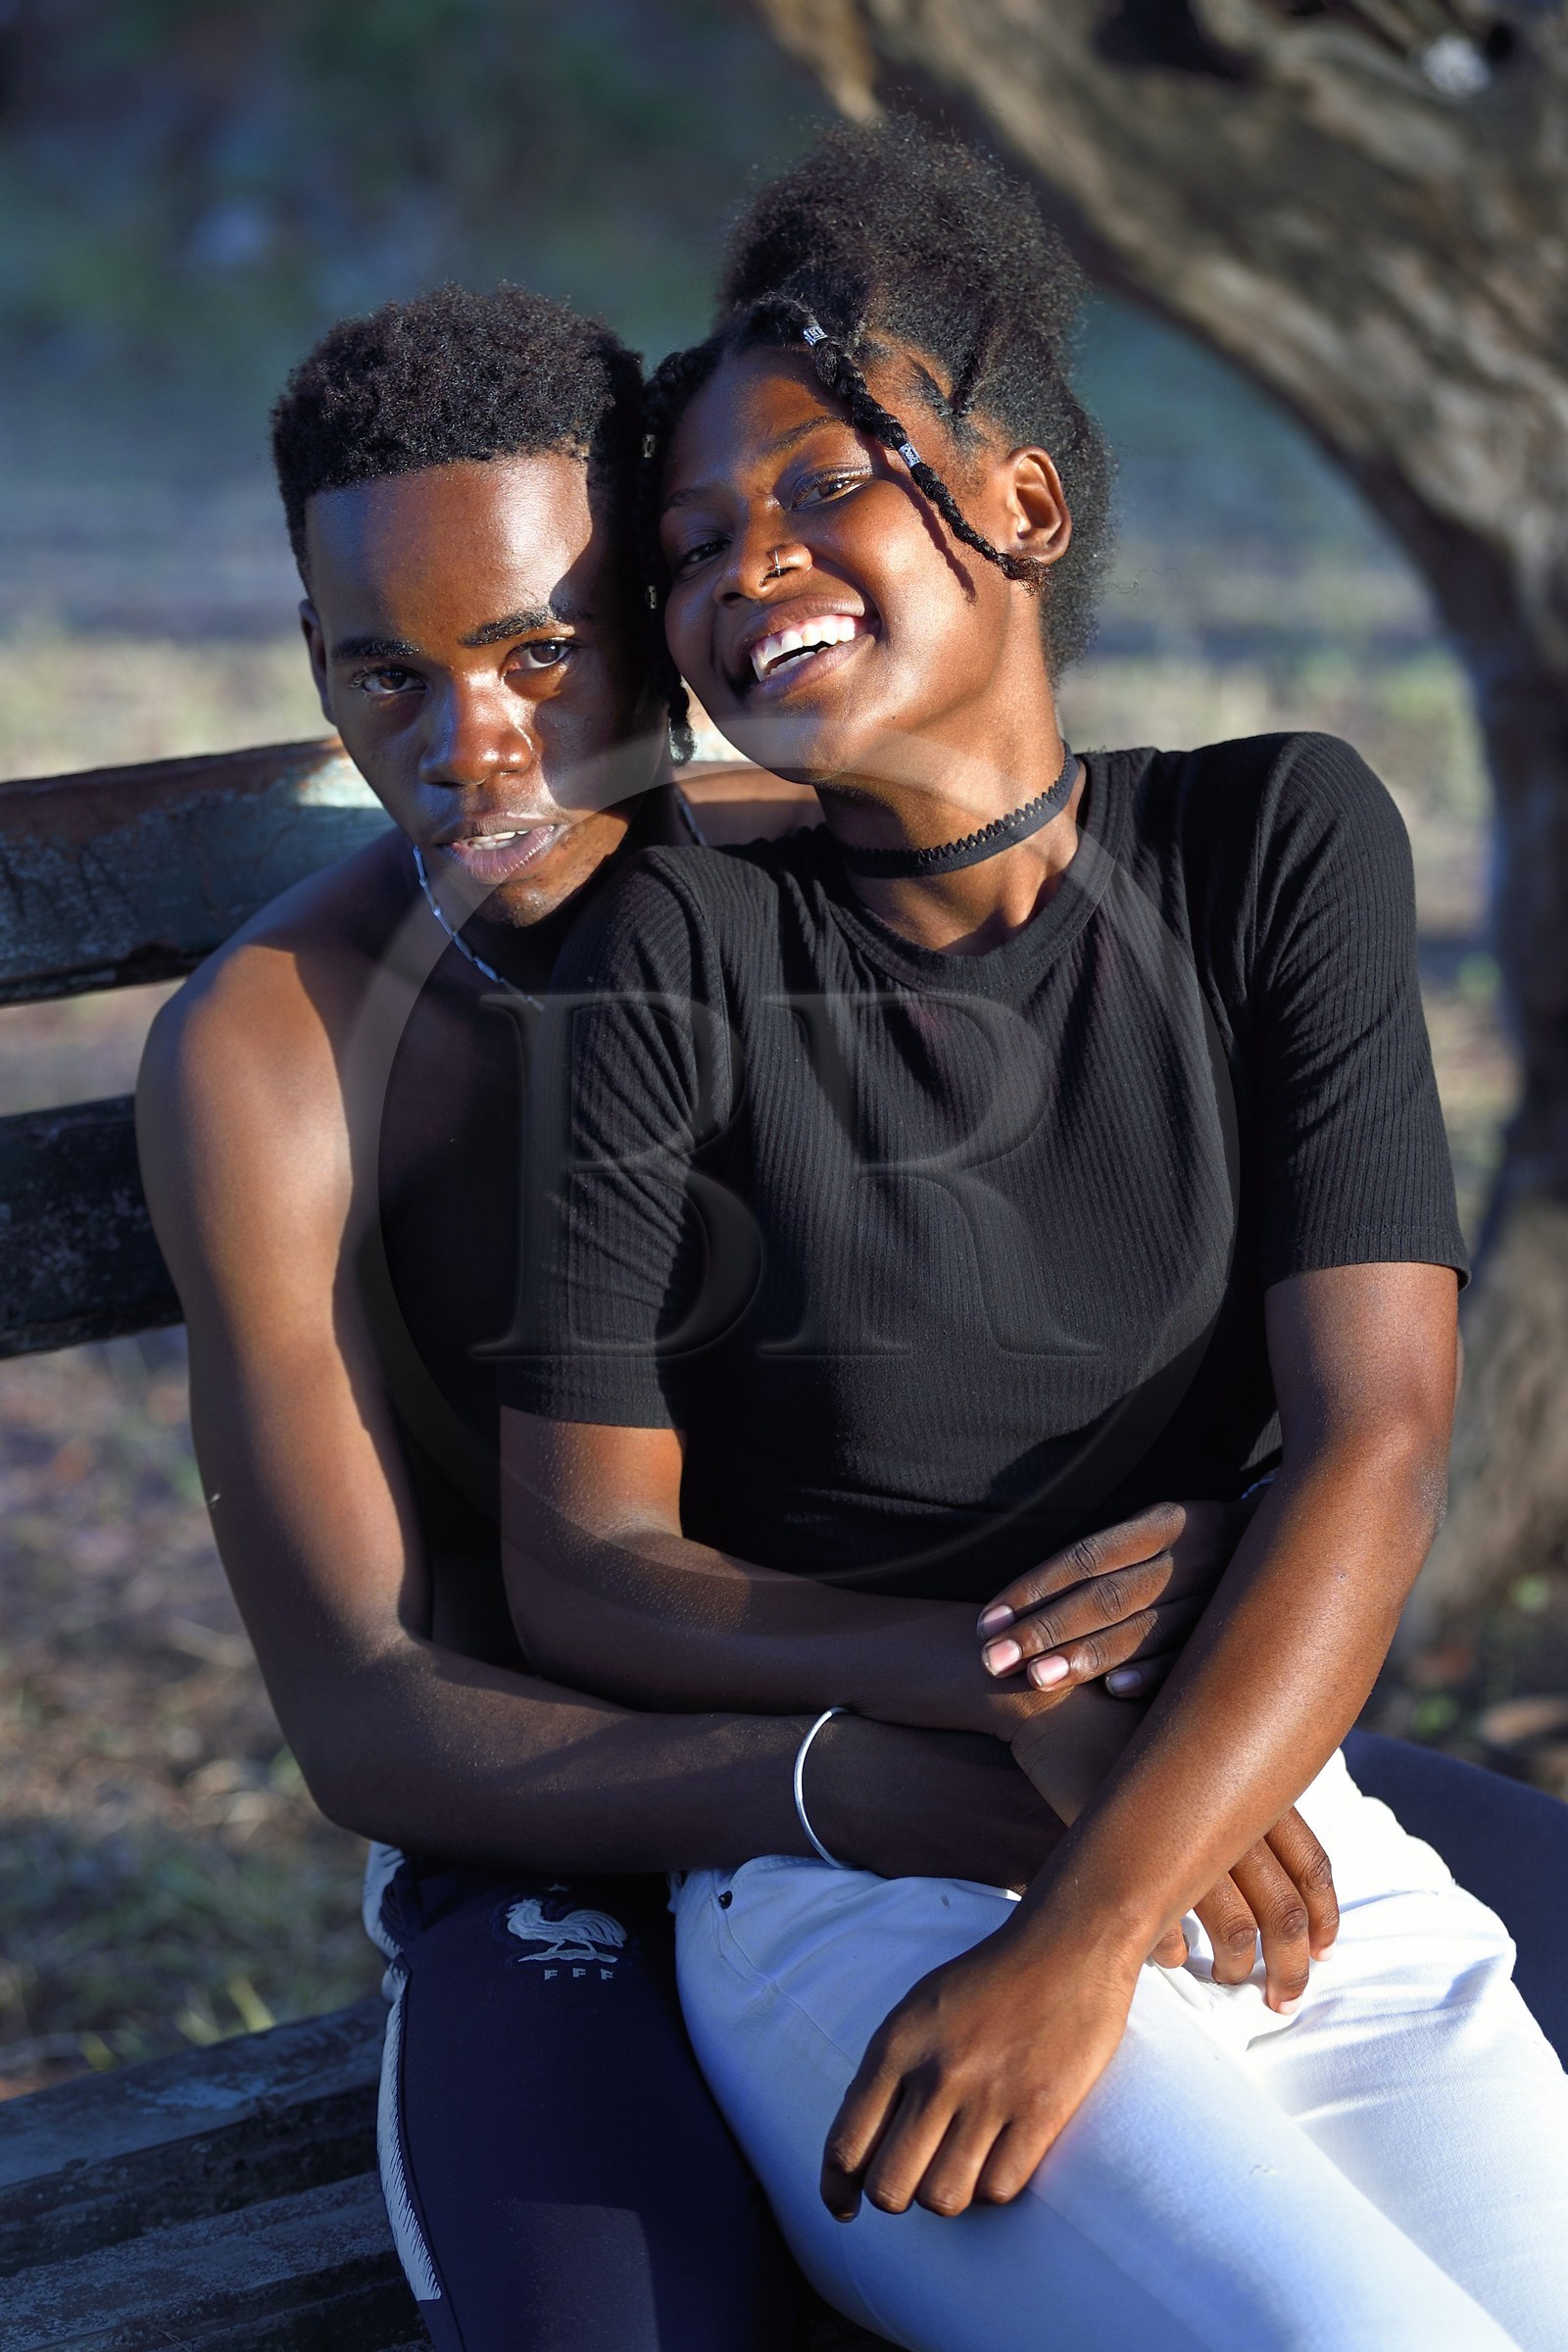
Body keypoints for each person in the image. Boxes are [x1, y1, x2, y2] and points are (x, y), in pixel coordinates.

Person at [498, 123, 1568, 2350]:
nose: (745, 562)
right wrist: (1023, 1747)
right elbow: (582, 1563)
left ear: (1022, 505)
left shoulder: (1272, 840)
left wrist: (1113, 1899)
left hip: (1277, 1841)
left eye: (817, 484)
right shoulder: (671, 949)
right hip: (864, 1887)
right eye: (691, 541)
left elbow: (1369, 1435)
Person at [135, 281, 1262, 2352]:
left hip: (980, 1732)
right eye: (379, 675)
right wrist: (878, 1779)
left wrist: (1156, 1578)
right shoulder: (278, 1060)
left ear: (663, 614)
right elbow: (374, 1719)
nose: (469, 750)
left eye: (539, 651)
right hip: (558, 1842)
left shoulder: (824, 890)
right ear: (313, 659)